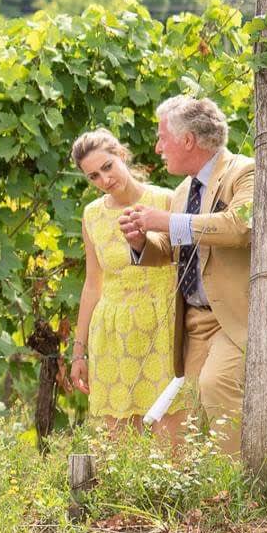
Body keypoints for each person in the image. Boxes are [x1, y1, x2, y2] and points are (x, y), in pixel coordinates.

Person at [120, 96, 254, 454]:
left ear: (188, 140)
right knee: (191, 410)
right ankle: (201, 494)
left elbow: (240, 227)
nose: (157, 147)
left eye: (162, 137)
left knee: (217, 386)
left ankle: (240, 492)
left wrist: (166, 221)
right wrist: (140, 242)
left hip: (235, 318)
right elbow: (171, 247)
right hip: (194, 322)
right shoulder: (184, 191)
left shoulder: (244, 172)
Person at [69, 130, 181, 437]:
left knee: (171, 443)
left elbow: (184, 265)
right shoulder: (92, 215)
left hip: (162, 330)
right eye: (93, 176)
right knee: (116, 448)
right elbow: (93, 284)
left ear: (121, 154)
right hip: (113, 333)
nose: (104, 179)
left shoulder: (166, 200)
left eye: (107, 166)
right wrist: (79, 352)